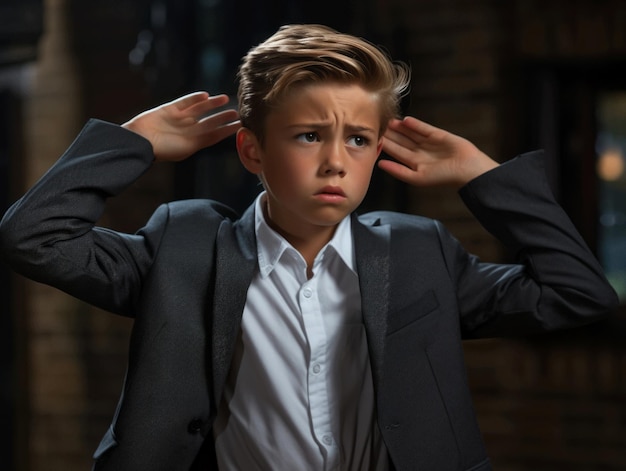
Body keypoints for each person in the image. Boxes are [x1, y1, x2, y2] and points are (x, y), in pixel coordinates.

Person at [0, 24, 617, 471]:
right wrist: (129, 143)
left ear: (379, 150)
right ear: (253, 151)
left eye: (357, 139)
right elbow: (34, 237)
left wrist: (485, 177)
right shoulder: (184, 248)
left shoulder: (418, 252)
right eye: (308, 135)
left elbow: (577, 293)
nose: (334, 162)